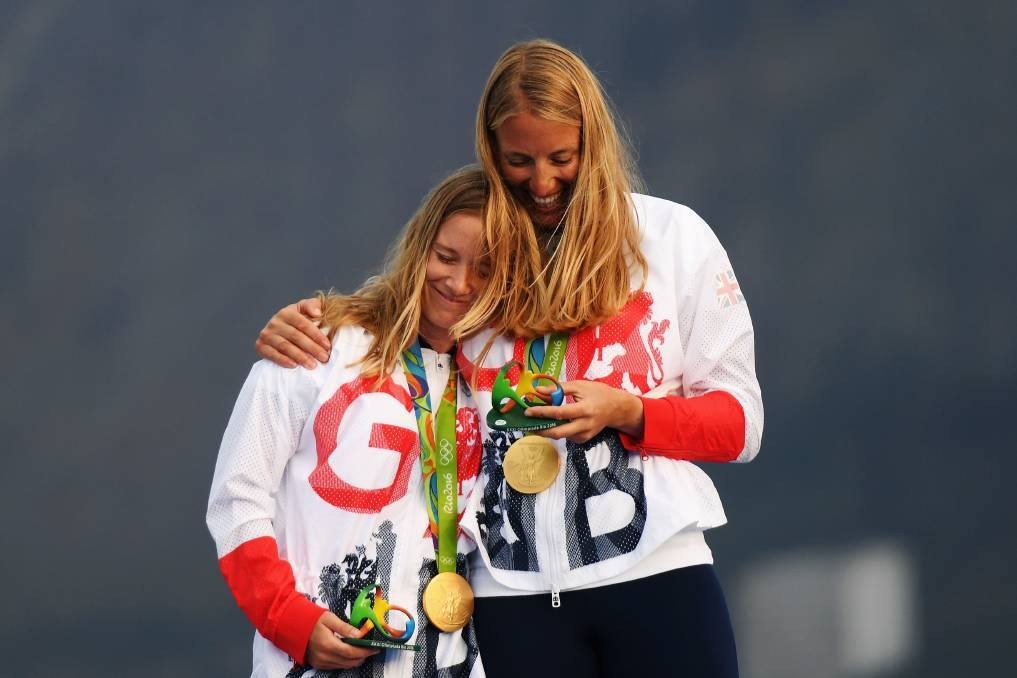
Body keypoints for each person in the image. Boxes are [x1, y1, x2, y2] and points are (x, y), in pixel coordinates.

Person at [255, 39, 762, 678]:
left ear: (594, 145)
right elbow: (403, 307)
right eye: (519, 160)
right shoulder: (483, 259)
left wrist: (632, 412)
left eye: (563, 158)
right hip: (513, 605)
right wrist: (312, 318)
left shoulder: (671, 239)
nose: (543, 182)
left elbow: (741, 425)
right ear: (491, 151)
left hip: (656, 574)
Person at [207, 166, 493, 677]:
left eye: (485, 269)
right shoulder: (319, 344)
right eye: (445, 257)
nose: (459, 282)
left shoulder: (495, 379)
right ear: (418, 245)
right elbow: (236, 499)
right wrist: (290, 620)